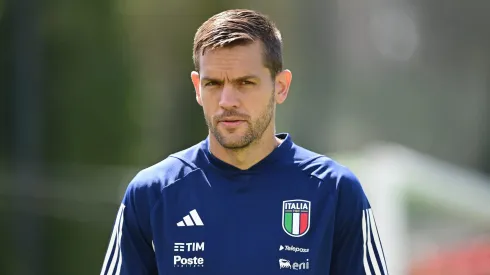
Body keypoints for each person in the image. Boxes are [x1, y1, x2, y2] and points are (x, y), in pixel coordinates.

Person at [100, 9, 389, 275]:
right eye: (213, 83)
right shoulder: (152, 193)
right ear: (197, 89)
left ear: (281, 86)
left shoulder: (334, 191)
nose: (227, 101)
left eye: (245, 83)